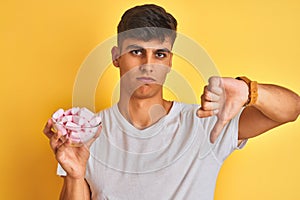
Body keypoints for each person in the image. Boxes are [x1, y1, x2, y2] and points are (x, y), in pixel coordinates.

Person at [43, 4, 300, 200]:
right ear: (116, 56)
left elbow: (291, 109)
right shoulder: (88, 134)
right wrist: (74, 176)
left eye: (160, 54)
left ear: (170, 61)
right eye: (136, 52)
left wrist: (249, 90)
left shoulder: (205, 123)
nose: (147, 65)